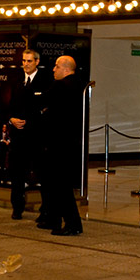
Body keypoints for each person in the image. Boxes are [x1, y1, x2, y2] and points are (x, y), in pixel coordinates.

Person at [41, 55, 84, 236]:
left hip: (58, 143)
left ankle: (72, 224)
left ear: (66, 69)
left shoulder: (60, 86)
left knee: (60, 185)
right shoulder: (79, 86)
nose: (53, 69)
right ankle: (56, 219)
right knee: (60, 184)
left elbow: (45, 105)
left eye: (57, 66)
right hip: (71, 142)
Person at [7, 48, 51, 221]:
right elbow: (8, 105)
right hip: (18, 137)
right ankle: (17, 207)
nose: (25, 64)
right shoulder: (16, 80)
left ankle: (46, 209)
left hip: (37, 137)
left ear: (37, 62)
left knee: (42, 173)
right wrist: (11, 119)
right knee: (17, 173)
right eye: (24, 61)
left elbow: (46, 108)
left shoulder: (46, 80)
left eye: (29, 61)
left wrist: (31, 121)